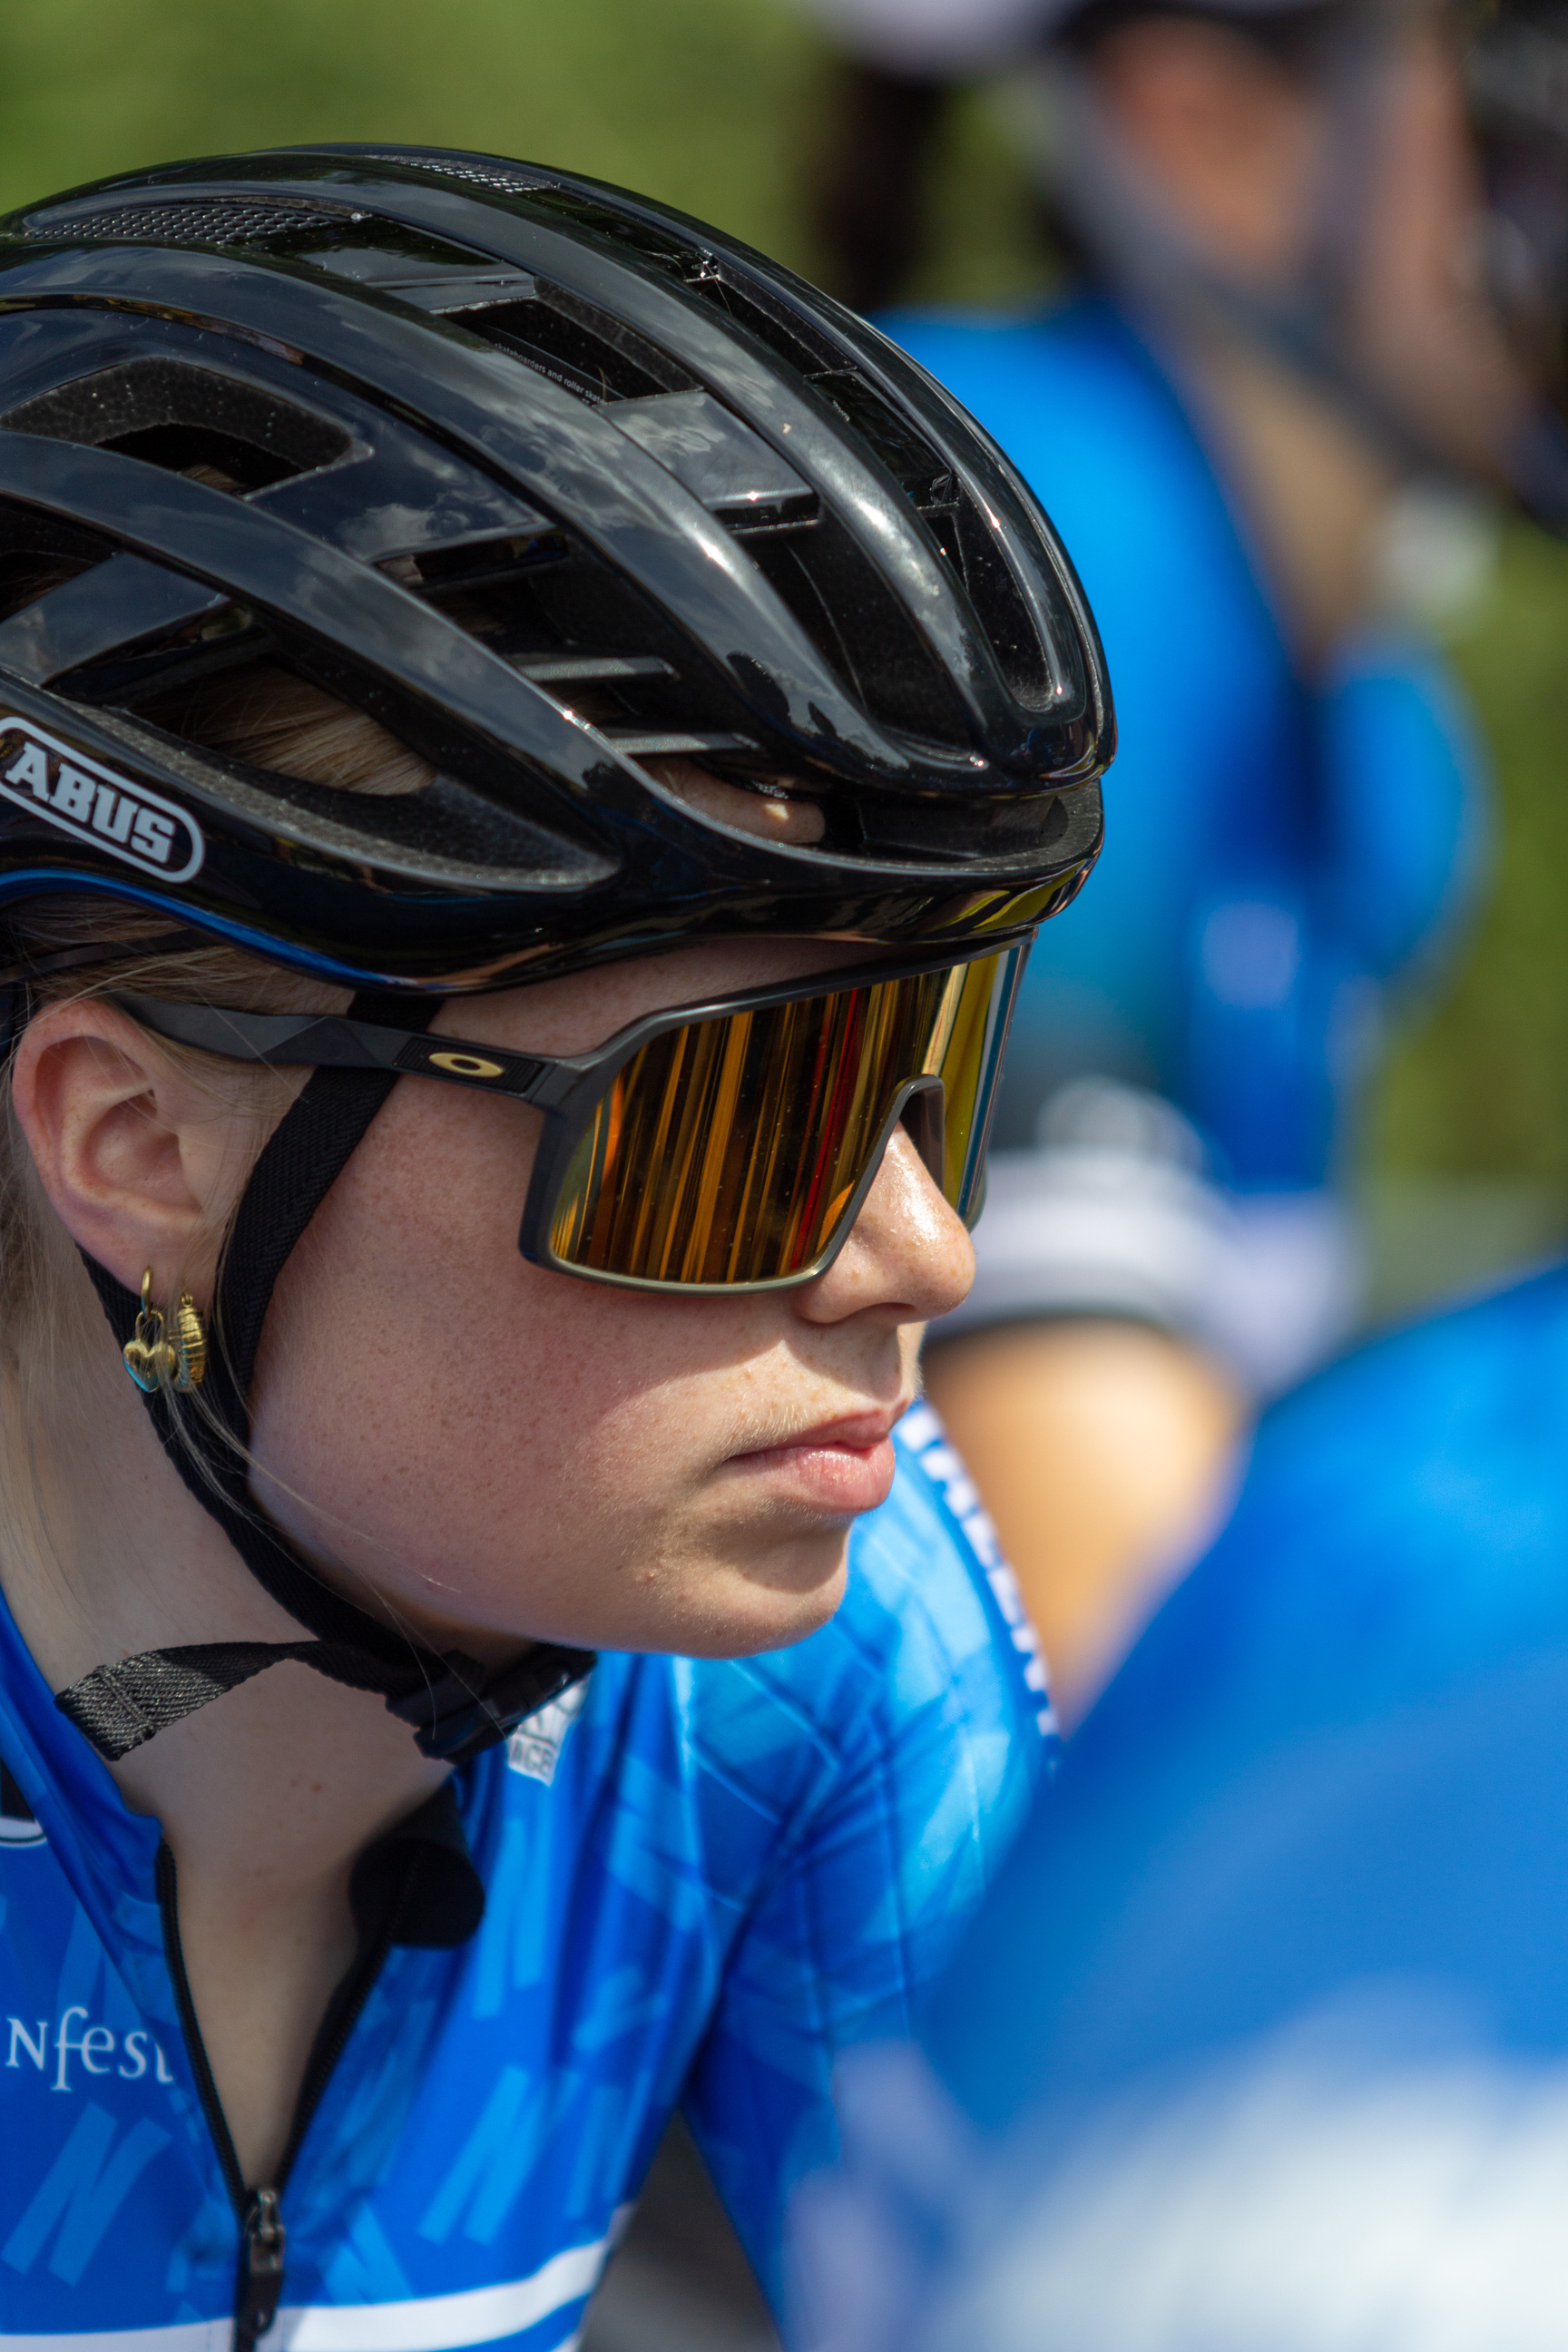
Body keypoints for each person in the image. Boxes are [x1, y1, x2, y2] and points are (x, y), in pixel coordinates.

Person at [0, 145, 1108, 2347]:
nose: (921, 1261)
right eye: (738, 1121)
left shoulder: (825, 1645)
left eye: (931, 1083)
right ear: (132, 1146)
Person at [797, 0, 1524, 1717]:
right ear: (1206, 123)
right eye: (1521, 67)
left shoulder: (1385, 754)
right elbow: (1120, 1646)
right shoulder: (1016, 579)